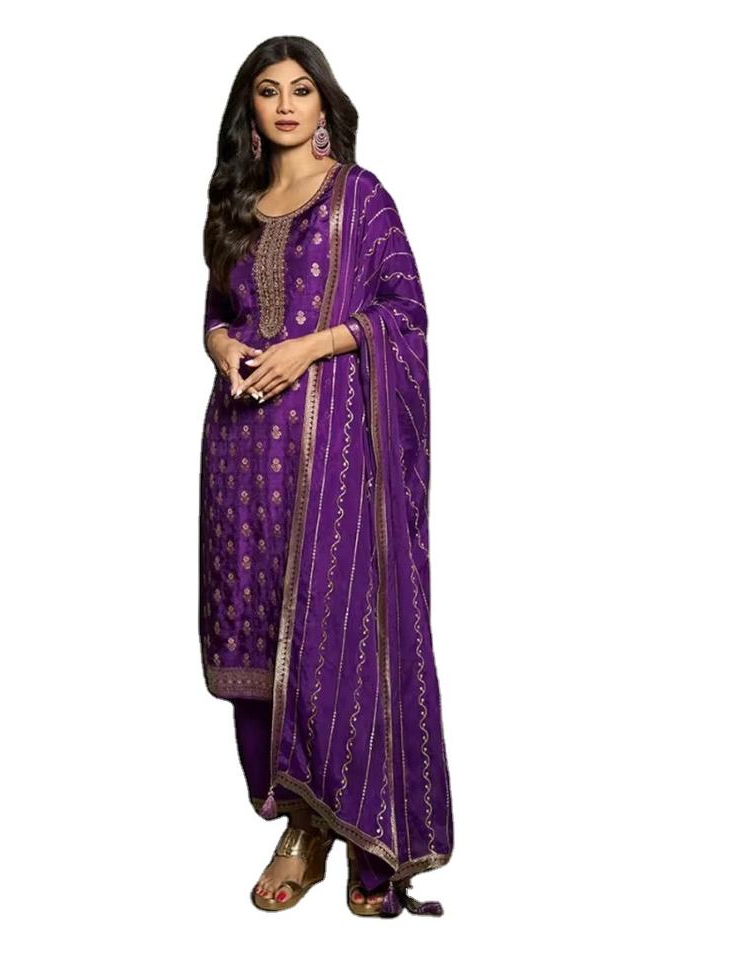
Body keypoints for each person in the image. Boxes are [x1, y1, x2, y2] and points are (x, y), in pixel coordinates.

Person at [198, 36, 453, 918]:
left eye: (300, 89)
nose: (285, 105)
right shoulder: (236, 203)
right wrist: (221, 344)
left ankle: (359, 834)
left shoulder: (358, 197)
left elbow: (404, 313)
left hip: (335, 454)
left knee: (335, 632)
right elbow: (219, 310)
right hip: (242, 453)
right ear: (250, 109)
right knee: (257, 641)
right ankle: (300, 828)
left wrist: (310, 346)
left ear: (322, 103)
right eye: (268, 91)